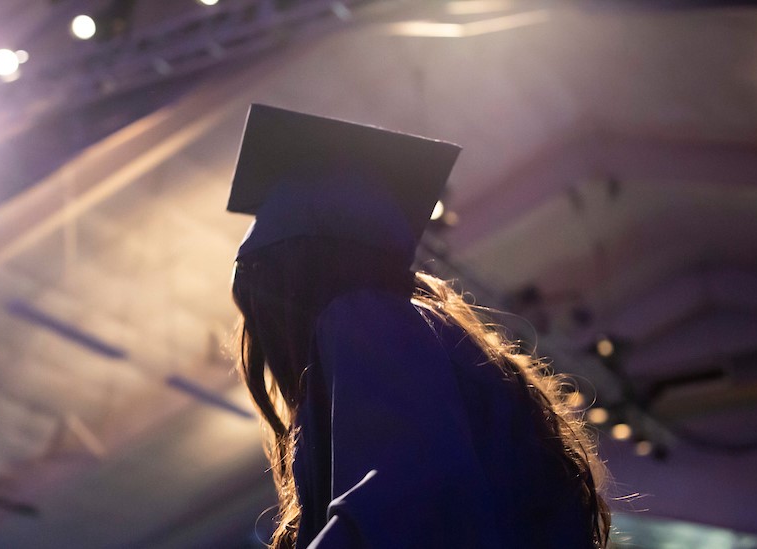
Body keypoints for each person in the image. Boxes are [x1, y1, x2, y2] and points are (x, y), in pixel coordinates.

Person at [226, 105, 610, 548]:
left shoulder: (364, 322)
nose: (261, 323)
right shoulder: (426, 334)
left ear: (293, 274)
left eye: (262, 284)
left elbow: (404, 498)